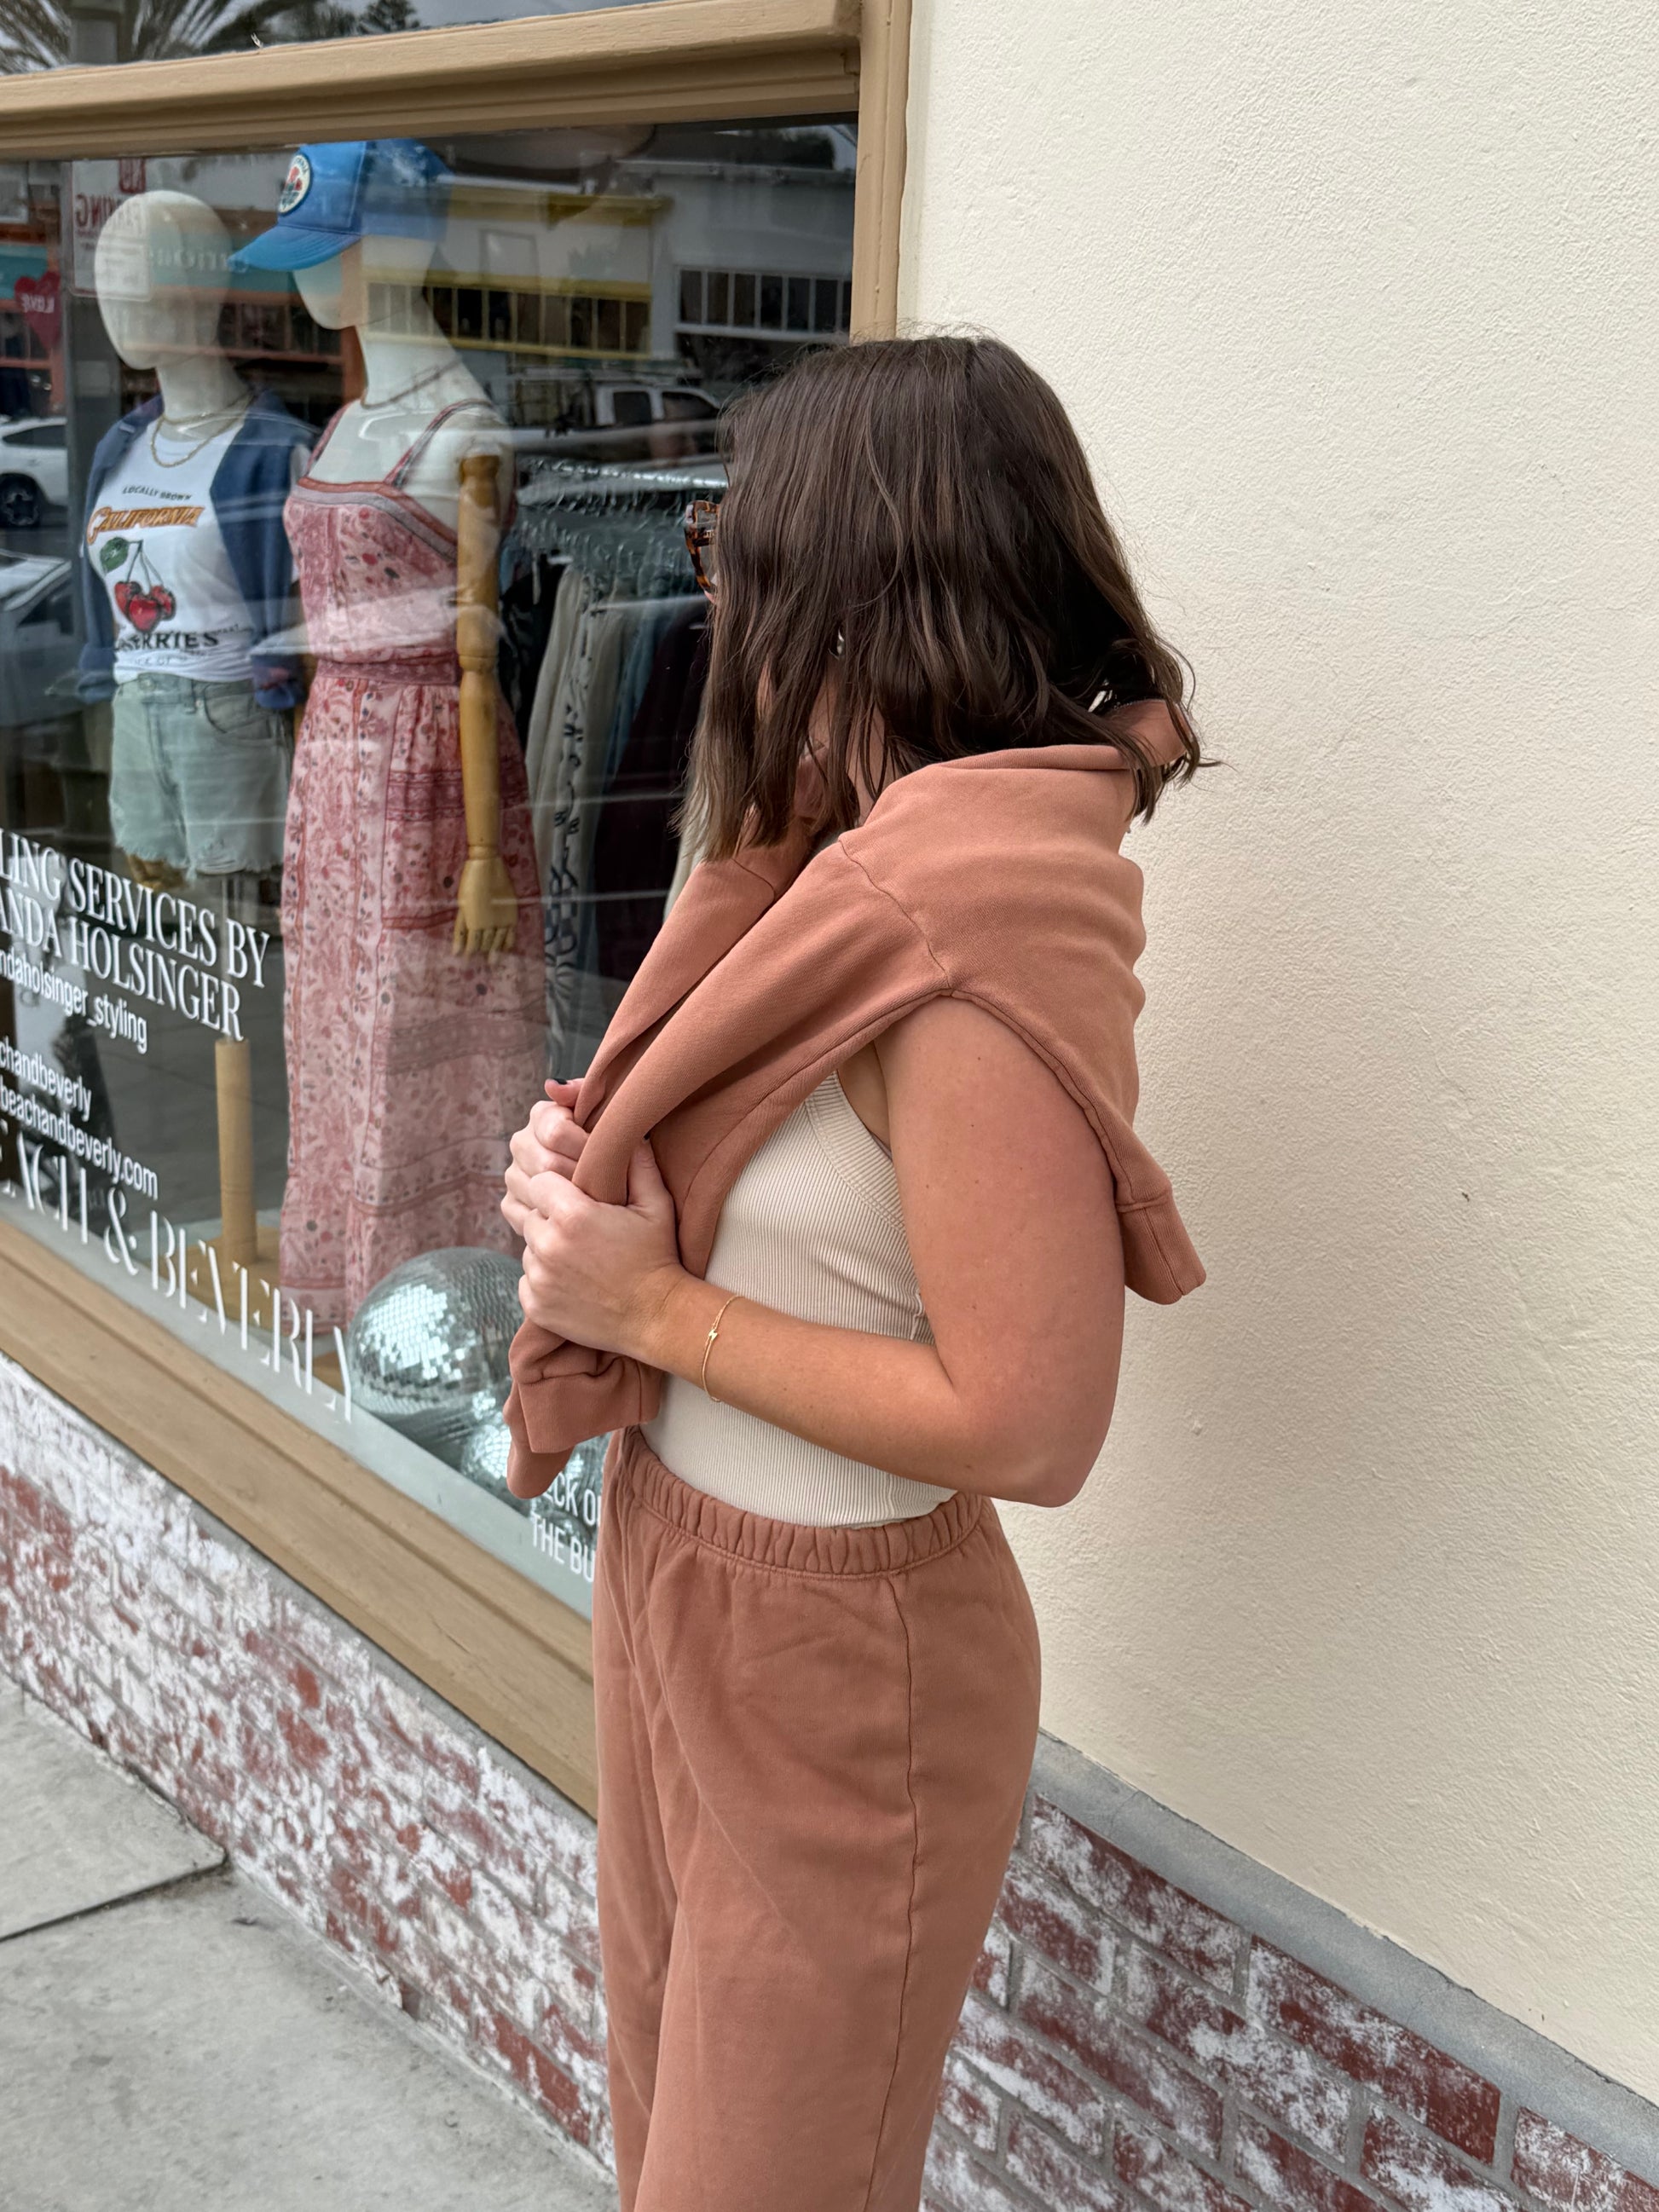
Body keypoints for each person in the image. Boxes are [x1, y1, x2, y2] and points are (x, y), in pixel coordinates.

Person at [500, 335, 1205, 2212]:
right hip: (682, 1560)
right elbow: (768, 1211)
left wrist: (651, 1307)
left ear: (854, 574)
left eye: (740, 548)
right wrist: (591, 1193)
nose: (713, 587)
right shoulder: (829, 865)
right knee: (672, 2152)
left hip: (840, 1651)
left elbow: (1029, 1420)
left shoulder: (960, 933)